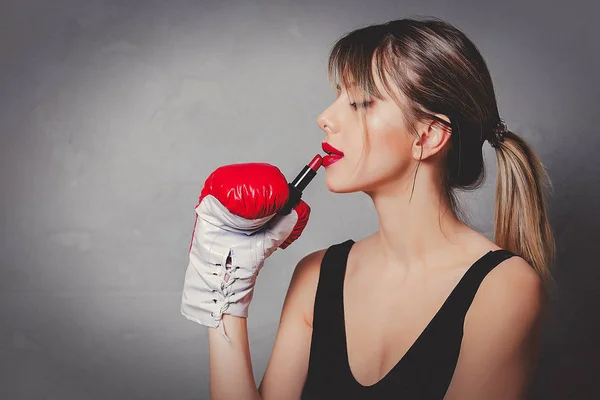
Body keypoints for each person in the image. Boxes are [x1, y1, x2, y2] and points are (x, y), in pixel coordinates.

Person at [180, 16, 556, 399]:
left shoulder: (503, 288)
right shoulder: (315, 276)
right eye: (338, 96)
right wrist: (225, 290)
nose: (325, 118)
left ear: (427, 136)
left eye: (360, 102)